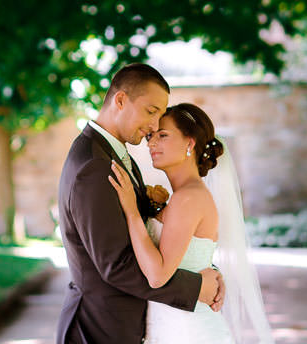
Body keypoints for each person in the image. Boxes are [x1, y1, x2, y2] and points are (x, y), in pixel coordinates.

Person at [56, 64, 224, 344]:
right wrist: (196, 288)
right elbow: (116, 266)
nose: (155, 126)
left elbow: (163, 242)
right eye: (151, 111)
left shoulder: (115, 155)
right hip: (99, 329)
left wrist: (205, 269)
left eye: (160, 119)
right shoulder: (94, 166)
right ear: (120, 100)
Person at [108, 102, 275, 344]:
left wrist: (132, 212)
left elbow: (157, 277)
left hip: (186, 331)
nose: (152, 143)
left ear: (190, 142)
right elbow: (190, 256)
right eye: (151, 136)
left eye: (163, 135)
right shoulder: (185, 196)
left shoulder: (188, 198)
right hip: (173, 323)